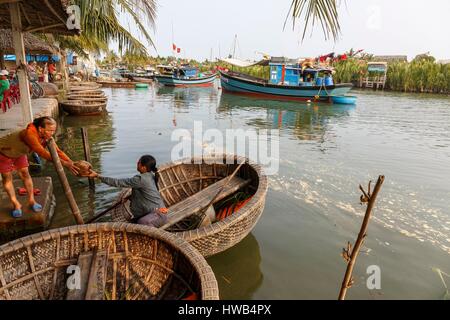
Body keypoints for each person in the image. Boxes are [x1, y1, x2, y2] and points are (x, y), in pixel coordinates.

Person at [0, 116, 79, 217]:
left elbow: (58, 152)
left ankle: (32, 201)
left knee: (25, 174)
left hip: (19, 153)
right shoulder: (29, 134)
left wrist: (72, 163)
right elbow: (42, 152)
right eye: (50, 130)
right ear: (41, 129)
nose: (52, 133)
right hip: (3, 152)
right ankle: (15, 204)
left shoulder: (46, 137)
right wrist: (64, 164)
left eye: (54, 130)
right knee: (7, 179)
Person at [88, 155, 168, 227]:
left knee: (141, 222)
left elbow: (118, 183)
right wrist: (130, 197)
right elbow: (146, 193)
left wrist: (98, 176)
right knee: (137, 222)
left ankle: (154, 238)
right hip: (157, 213)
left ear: (144, 167)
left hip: (158, 216)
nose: (137, 163)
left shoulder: (140, 179)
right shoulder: (151, 175)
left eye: (139, 162)